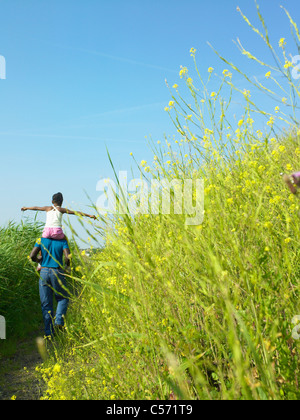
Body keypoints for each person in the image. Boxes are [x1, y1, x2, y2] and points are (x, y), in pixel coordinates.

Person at [30, 236, 71, 338]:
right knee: (63, 298)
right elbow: (67, 257)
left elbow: (32, 256)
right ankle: (58, 321)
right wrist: (67, 266)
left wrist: (38, 259)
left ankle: (49, 334)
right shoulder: (62, 240)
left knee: (46, 303)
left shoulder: (40, 239)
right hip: (57, 271)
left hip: (44, 272)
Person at [21, 192, 97, 240]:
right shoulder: (61, 209)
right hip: (57, 232)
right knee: (65, 240)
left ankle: (40, 259)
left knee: (42, 243)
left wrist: (26, 208)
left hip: (46, 231)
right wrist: (89, 215)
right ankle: (68, 262)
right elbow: (76, 212)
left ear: (52, 201)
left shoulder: (47, 208)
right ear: (62, 202)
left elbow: (36, 208)